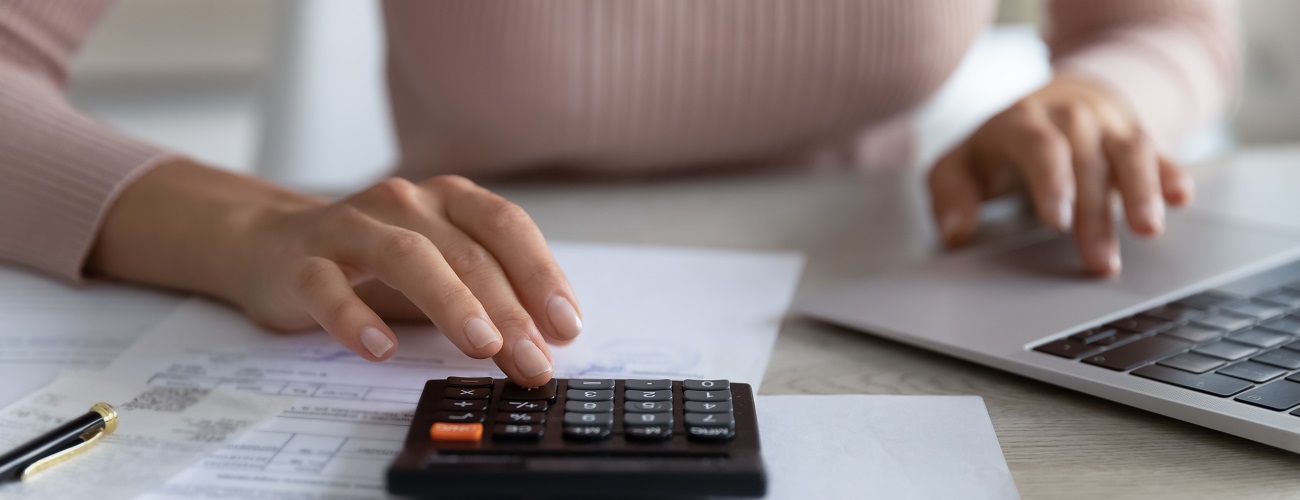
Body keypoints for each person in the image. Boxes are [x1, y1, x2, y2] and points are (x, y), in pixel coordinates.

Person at [0, 1, 1238, 386]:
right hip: (451, 333)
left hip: (915, 305)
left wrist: (1108, 98)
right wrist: (248, 224)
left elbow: (1163, 20)